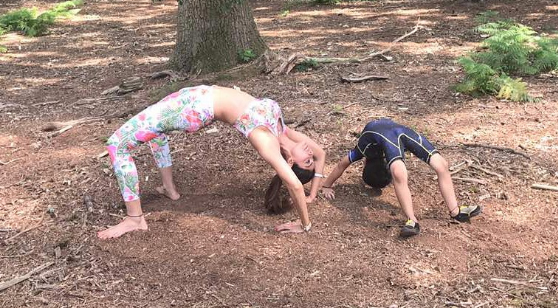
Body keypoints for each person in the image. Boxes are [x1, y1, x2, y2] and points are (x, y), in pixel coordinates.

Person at [97, 85, 326, 239]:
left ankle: (135, 218)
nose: (310, 153)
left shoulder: (267, 141)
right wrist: (314, 191)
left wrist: (304, 224)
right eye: (310, 160)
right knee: (156, 131)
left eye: (307, 161)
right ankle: (169, 188)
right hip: (195, 96)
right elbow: (321, 153)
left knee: (117, 144)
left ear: (289, 161)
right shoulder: (283, 131)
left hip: (193, 108)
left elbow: (295, 185)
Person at [320, 118, 481, 238]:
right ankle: (417, 219)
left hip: (392, 130)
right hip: (399, 131)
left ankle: (453, 212)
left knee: (435, 166)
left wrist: (327, 185)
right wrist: (327, 185)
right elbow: (342, 164)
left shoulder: (364, 148)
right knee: (431, 166)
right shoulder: (367, 151)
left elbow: (342, 164)